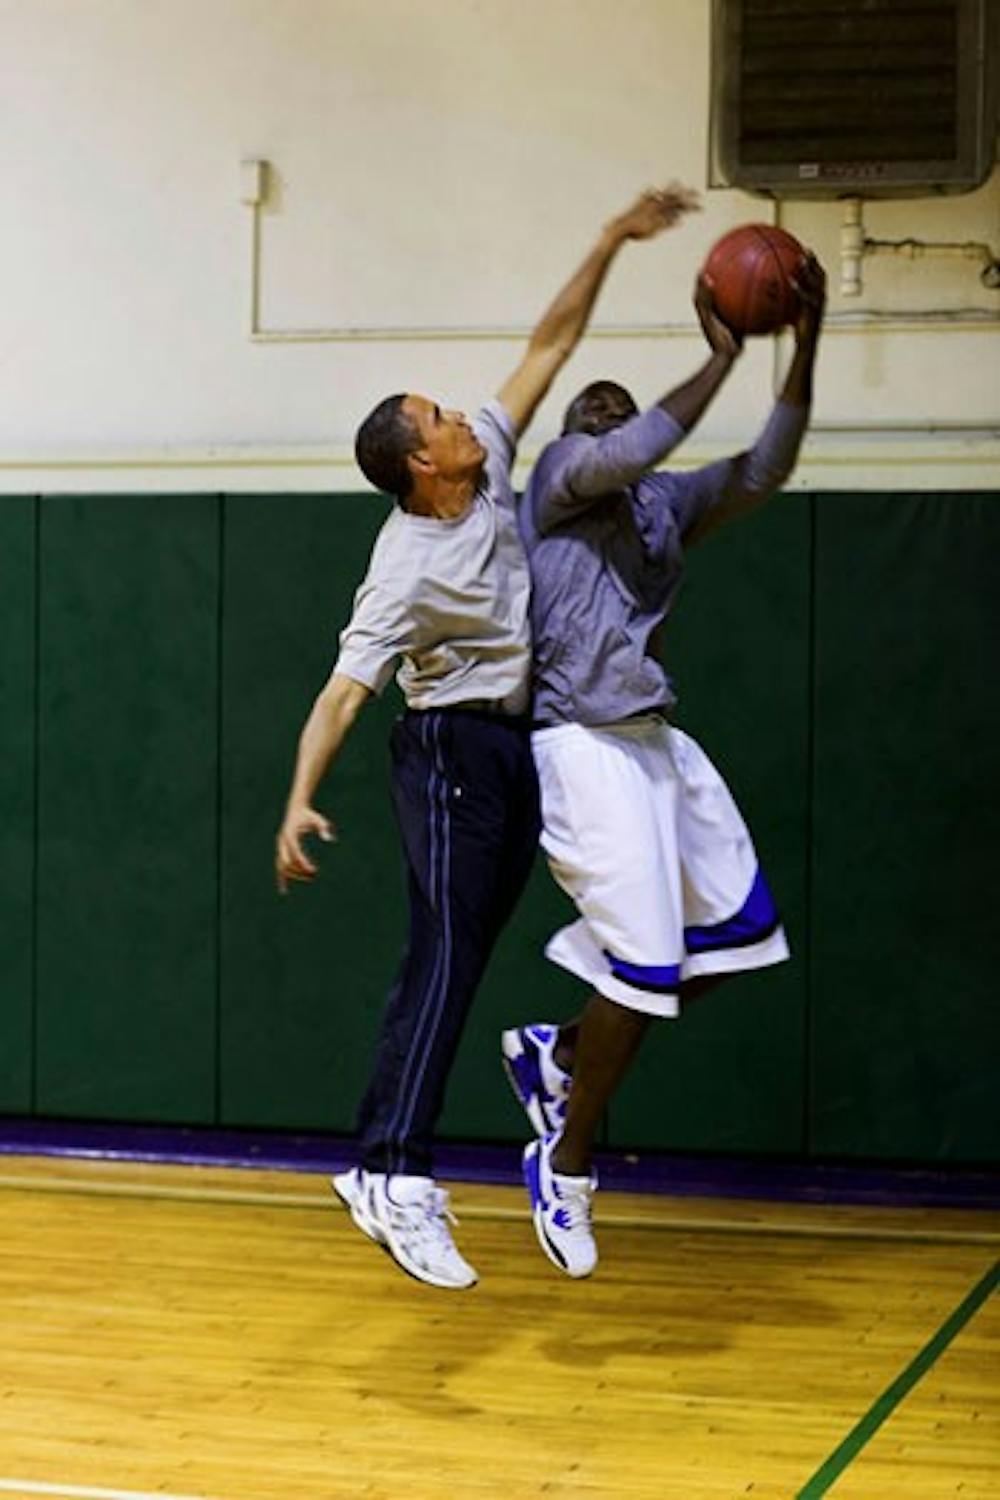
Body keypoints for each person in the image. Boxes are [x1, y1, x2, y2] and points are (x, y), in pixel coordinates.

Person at [273, 184, 702, 1290]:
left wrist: (607, 236)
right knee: (450, 956)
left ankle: (383, 1163)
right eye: (443, 421)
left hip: (512, 750)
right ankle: (397, 1173)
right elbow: (342, 691)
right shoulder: (405, 565)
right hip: (449, 751)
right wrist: (298, 797)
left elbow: (548, 344)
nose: (466, 416)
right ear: (425, 464)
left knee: (444, 957)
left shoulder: (491, 460)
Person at [501, 254, 826, 1278]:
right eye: (590, 408)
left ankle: (558, 1046)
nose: (603, 406)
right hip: (577, 747)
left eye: (615, 401)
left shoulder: (657, 505)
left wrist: (804, 345)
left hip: (652, 745)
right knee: (645, 977)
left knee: (728, 941)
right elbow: (643, 439)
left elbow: (763, 467)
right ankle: (567, 1159)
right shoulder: (556, 483)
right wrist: (720, 353)